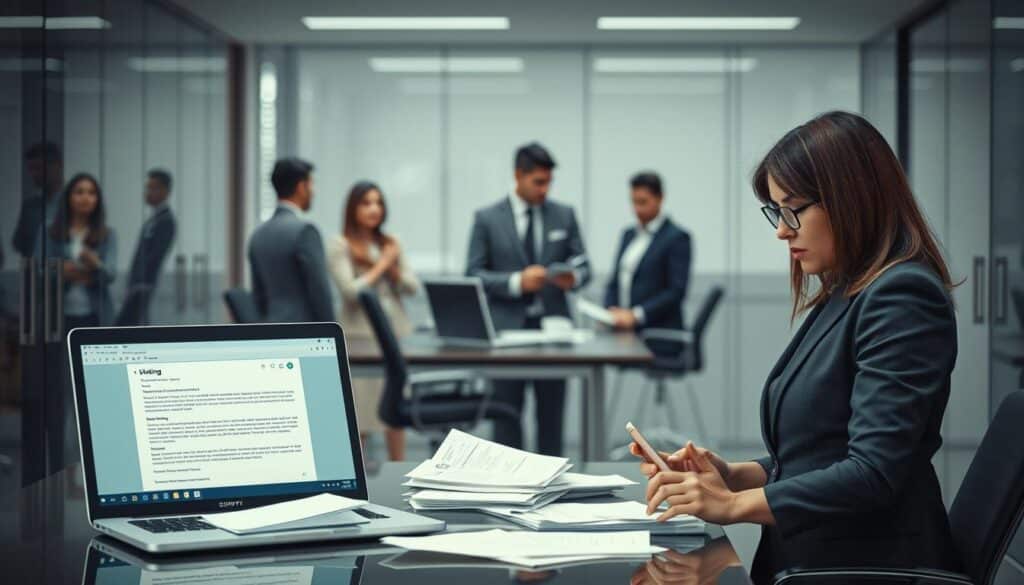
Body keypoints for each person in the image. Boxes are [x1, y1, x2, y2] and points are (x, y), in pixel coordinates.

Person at [630, 111, 961, 583]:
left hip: (870, 564)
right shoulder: (848, 290)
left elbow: (873, 473)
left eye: (793, 209)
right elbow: (820, 453)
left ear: (851, 198)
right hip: (819, 556)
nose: (782, 230)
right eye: (776, 211)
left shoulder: (902, 295)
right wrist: (733, 474)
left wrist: (732, 505)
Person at [466, 142, 591, 455]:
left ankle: (553, 492)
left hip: (555, 332)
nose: (544, 189)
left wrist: (572, 278)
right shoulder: (487, 218)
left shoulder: (564, 215)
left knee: (552, 419)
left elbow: (584, 266)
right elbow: (473, 274)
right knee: (506, 418)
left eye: (548, 182)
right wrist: (516, 282)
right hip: (506, 334)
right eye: (538, 182)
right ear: (518, 176)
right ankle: (510, 490)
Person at [327, 181, 420, 461]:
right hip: (360, 340)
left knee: (395, 413)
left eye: (378, 202)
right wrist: (380, 264)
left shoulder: (390, 243)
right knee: (362, 415)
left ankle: (399, 474)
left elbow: (412, 287)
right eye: (366, 203)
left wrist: (391, 267)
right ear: (353, 208)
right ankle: (359, 483)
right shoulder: (339, 244)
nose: (374, 209)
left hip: (394, 336)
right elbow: (350, 291)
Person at [604, 171, 691, 334]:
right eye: (634, 202)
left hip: (657, 333)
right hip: (624, 330)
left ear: (660, 198)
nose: (637, 209)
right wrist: (610, 310)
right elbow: (615, 281)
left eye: (643, 202)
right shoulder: (628, 235)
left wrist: (636, 315)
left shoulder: (677, 238)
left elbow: (676, 292)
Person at [248, 157, 334, 323]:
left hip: (270, 330)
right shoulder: (305, 232)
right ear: (302, 187)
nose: (313, 191)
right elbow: (320, 292)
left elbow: (258, 296)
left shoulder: (258, 235)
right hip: (304, 332)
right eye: (311, 184)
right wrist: (332, 333)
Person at [48, 173, 118, 329]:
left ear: (97, 200)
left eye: (91, 193)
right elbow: (39, 270)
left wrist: (96, 264)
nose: (86, 198)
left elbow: (110, 274)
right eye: (79, 192)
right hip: (57, 315)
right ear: (68, 197)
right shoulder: (50, 231)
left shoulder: (107, 234)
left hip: (95, 314)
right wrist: (64, 270)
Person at [116, 169, 177, 325]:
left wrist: (138, 283)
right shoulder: (154, 219)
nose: (148, 192)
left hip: (143, 285)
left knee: (126, 327)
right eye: (147, 188)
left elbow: (155, 257)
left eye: (153, 188)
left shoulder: (166, 220)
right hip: (137, 284)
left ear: (165, 191)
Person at [13, 142, 64, 259]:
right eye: (31, 169)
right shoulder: (29, 207)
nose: (34, 174)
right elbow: (18, 243)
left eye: (38, 168)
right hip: (35, 273)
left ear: (57, 166)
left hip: (68, 273)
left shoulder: (76, 204)